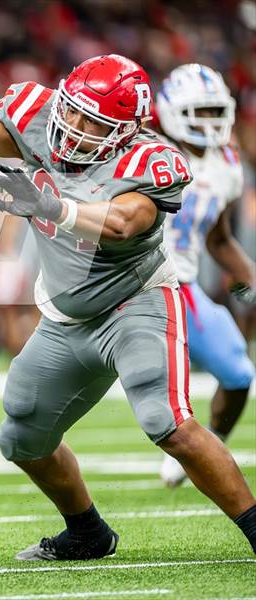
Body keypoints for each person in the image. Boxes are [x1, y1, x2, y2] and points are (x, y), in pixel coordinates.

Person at [0, 33, 256, 559]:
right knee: (22, 435)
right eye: (74, 114)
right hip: (64, 316)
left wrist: (54, 208)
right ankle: (86, 532)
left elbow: (125, 224)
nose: (75, 130)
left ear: (127, 130)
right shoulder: (38, 116)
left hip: (135, 302)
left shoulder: (153, 160)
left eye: (94, 124)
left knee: (168, 422)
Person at [154, 64, 255, 487]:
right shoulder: (147, 151)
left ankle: (208, 447)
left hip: (183, 285)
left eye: (216, 112)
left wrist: (249, 278)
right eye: (200, 112)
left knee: (238, 373)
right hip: (126, 285)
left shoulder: (227, 166)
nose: (210, 122)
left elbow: (218, 239)